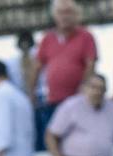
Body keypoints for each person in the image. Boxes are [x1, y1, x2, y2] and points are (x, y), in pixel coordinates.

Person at [34, 0, 99, 132]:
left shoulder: (86, 37)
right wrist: (31, 94)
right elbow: (37, 67)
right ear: (54, 16)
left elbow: (90, 65)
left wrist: (84, 89)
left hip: (79, 100)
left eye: (68, 12)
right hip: (53, 101)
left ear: (76, 15)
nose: (64, 16)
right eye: (60, 12)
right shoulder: (47, 38)